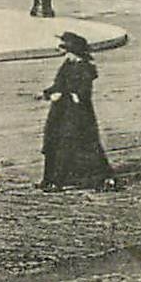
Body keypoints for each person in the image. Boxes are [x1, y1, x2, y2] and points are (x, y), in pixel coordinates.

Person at [37, 31, 117, 191]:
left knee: (78, 145)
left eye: (67, 51)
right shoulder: (68, 65)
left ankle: (102, 178)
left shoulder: (85, 69)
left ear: (74, 52)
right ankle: (49, 178)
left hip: (78, 115)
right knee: (53, 142)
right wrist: (47, 93)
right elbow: (59, 84)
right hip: (61, 112)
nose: (66, 55)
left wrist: (62, 94)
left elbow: (80, 95)